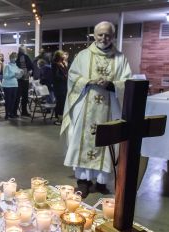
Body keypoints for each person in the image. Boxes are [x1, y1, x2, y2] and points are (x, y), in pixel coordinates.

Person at [61, 21, 132, 198]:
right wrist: (88, 81)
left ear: (113, 36)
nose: (104, 38)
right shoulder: (83, 55)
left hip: (110, 108)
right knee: (83, 141)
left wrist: (112, 85)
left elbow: (128, 81)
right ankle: (83, 182)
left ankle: (101, 182)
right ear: (94, 35)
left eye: (107, 35)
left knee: (107, 143)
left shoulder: (120, 58)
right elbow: (73, 77)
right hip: (85, 107)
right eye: (100, 34)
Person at [2, 52, 23, 120]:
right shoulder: (6, 66)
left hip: (15, 85)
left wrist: (21, 74)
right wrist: (14, 74)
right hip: (7, 85)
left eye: (15, 57)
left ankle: (11, 113)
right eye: (13, 57)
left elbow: (18, 77)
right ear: (10, 58)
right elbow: (5, 76)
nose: (14, 58)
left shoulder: (16, 66)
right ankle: (7, 114)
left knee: (13, 100)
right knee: (8, 100)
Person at [14, 45, 33, 117]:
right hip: (25, 78)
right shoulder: (25, 56)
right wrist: (29, 72)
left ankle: (14, 112)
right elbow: (30, 66)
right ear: (23, 50)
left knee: (17, 96)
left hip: (18, 79)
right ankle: (24, 111)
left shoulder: (16, 57)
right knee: (24, 96)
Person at [52, 50, 68, 126]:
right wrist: (65, 77)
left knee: (63, 102)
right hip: (58, 86)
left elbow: (66, 72)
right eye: (63, 55)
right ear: (59, 56)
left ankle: (62, 118)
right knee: (60, 102)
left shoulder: (63, 63)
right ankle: (59, 118)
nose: (64, 56)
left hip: (64, 86)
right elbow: (56, 76)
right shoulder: (55, 64)